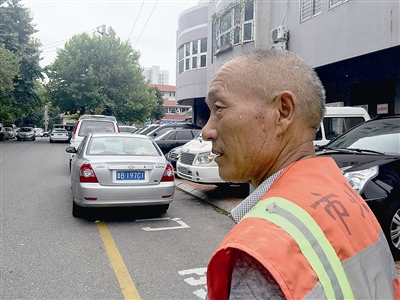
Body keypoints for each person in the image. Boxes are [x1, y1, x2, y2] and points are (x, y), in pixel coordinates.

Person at [202, 48, 400, 299]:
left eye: (219, 108)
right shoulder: (348, 198)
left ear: (282, 112)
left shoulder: (265, 250)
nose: (207, 131)